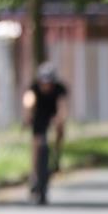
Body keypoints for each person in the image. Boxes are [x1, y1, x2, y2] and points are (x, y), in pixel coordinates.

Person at [21, 62, 68, 205]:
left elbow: (62, 106)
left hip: (52, 114)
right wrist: (28, 116)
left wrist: (60, 120)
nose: (46, 85)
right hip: (39, 116)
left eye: (49, 83)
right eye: (44, 82)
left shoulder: (59, 89)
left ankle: (57, 156)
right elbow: (28, 101)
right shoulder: (34, 88)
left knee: (60, 128)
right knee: (37, 142)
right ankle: (34, 174)